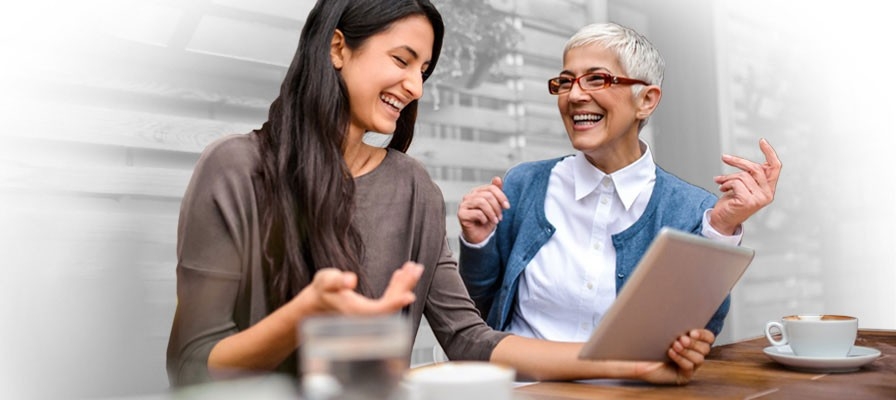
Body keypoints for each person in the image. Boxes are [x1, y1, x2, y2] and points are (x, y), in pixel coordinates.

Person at [166, 2, 714, 388]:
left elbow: (470, 338)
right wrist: (306, 312)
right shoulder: (236, 168)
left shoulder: (413, 188)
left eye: (423, 69)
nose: (415, 86)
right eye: (401, 60)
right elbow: (191, 366)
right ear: (338, 48)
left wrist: (631, 364)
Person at [457, 22, 781, 342]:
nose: (575, 95)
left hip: (625, 380)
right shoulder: (523, 185)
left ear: (646, 100)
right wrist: (478, 243)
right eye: (566, 82)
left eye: (597, 79)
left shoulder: (694, 211)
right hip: (520, 377)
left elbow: (697, 333)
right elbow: (477, 314)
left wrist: (720, 230)